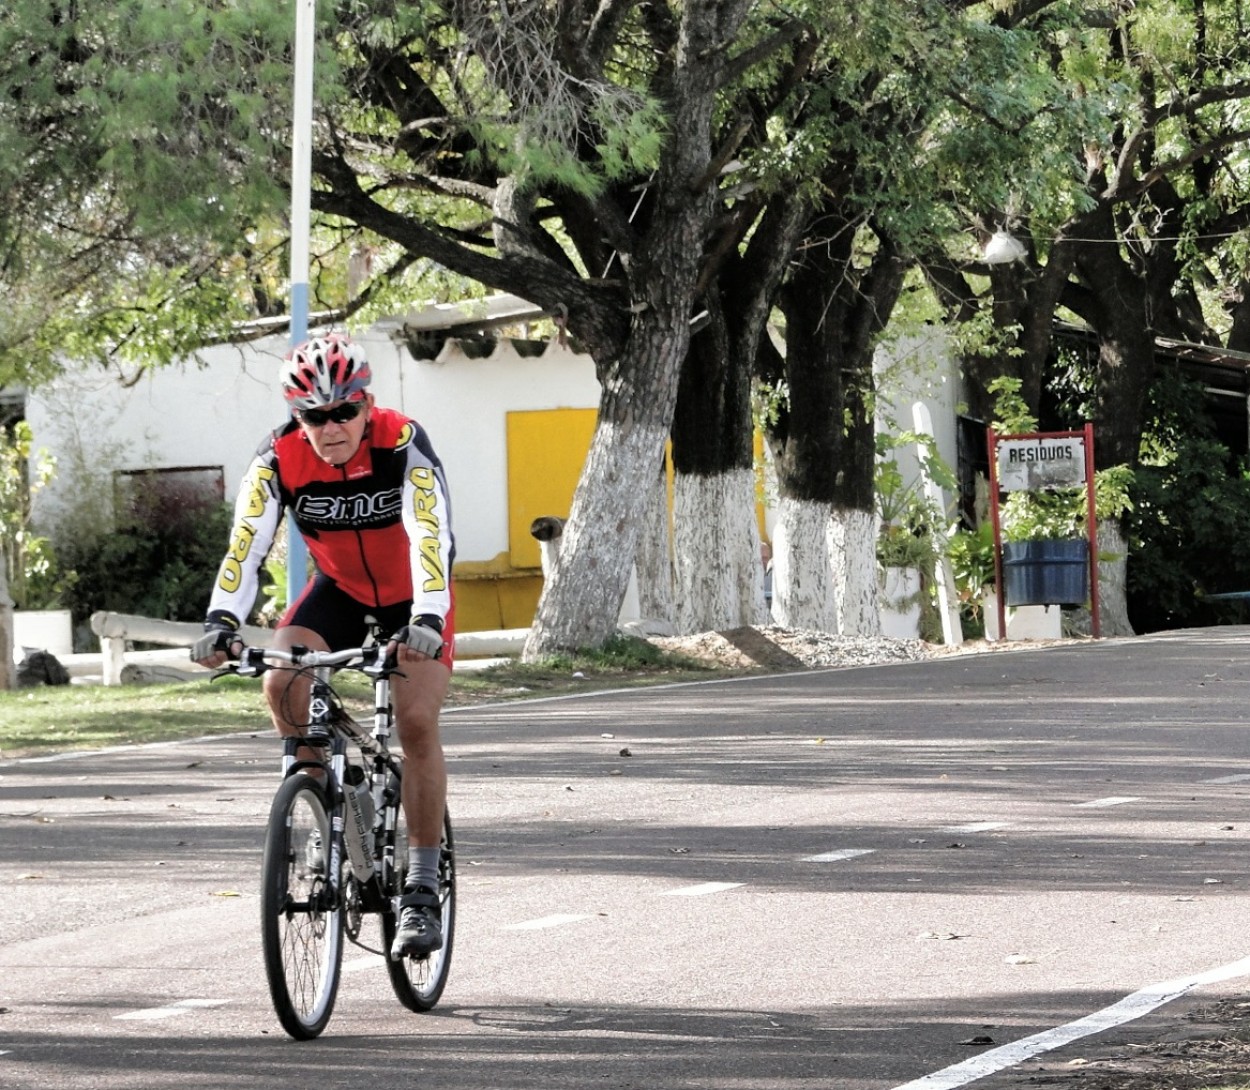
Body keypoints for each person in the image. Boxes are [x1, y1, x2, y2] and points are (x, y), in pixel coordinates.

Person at [192, 333, 455, 959]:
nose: (331, 426)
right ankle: (319, 807)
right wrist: (223, 619)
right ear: (297, 416)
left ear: (366, 406)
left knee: (415, 724)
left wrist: (428, 615)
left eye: (344, 411)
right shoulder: (278, 457)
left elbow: (429, 531)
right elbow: (247, 543)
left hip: (414, 598)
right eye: (316, 415)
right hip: (336, 592)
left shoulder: (401, 442)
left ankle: (419, 881)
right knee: (281, 682)